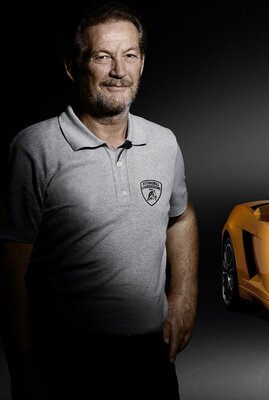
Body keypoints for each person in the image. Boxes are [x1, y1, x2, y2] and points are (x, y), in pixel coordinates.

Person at [0, 3, 199, 399]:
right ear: (74, 67)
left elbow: (181, 216)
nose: (118, 71)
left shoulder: (163, 142)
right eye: (103, 56)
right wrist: (23, 367)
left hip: (150, 355)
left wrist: (183, 297)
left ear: (142, 64)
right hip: (65, 358)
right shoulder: (35, 147)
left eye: (129, 56)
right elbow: (9, 265)